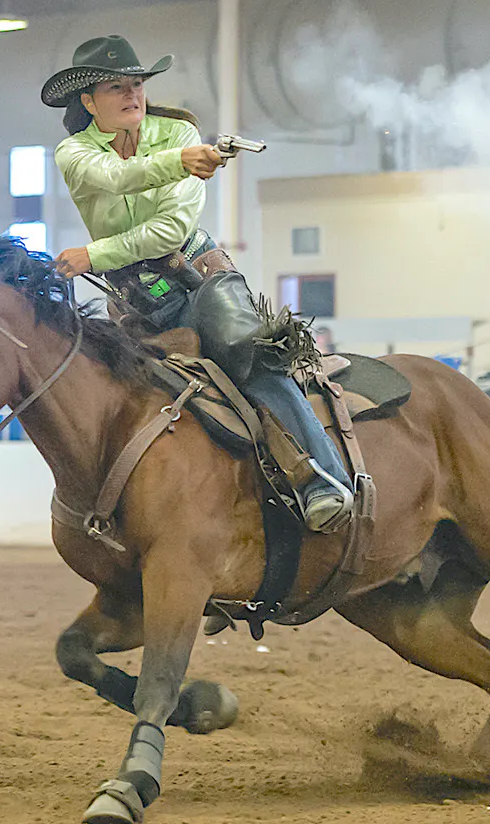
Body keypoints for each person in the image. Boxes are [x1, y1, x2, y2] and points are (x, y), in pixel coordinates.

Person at [41, 34, 352, 534]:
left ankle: (323, 481)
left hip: (197, 274)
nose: (132, 94)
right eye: (117, 86)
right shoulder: (75, 152)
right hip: (133, 296)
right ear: (87, 101)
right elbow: (117, 177)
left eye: (137, 84)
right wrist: (181, 162)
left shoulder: (179, 131)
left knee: (250, 355)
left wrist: (92, 255)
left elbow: (170, 231)